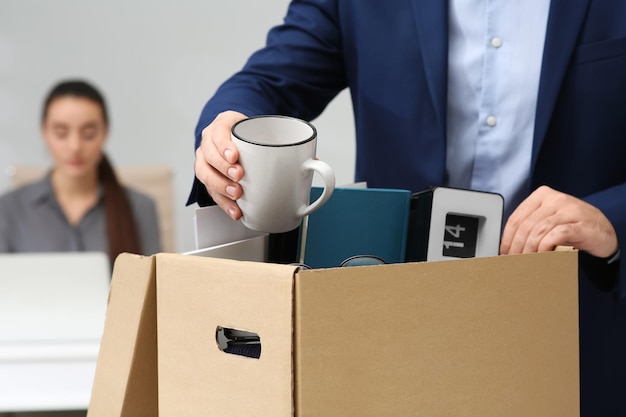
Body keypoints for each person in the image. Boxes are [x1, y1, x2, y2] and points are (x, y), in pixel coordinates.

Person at [188, 1, 626, 415]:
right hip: (395, 327)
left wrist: (613, 215)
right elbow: (268, 82)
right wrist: (227, 129)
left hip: (579, 324)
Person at [0, 79, 161, 263]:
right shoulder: (8, 208)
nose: (75, 146)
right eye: (61, 133)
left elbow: (154, 288)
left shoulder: (140, 208)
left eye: (88, 134)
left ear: (105, 133)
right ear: (44, 132)